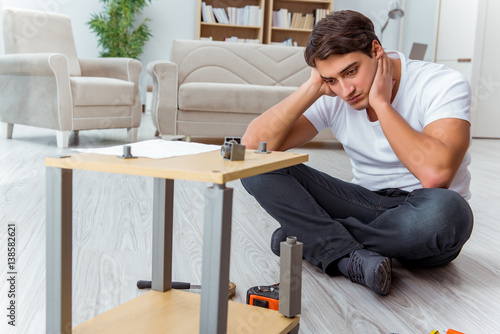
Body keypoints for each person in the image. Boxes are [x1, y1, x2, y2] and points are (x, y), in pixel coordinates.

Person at [240, 10, 474, 295]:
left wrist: (382, 103)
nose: (346, 90)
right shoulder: (333, 91)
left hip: (423, 212)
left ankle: (313, 237)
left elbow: (435, 176)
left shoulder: (441, 83)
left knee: (449, 214)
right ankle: (343, 254)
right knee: (257, 165)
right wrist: (313, 86)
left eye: (351, 71)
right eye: (331, 79)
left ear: (376, 50)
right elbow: (252, 146)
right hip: (364, 205)